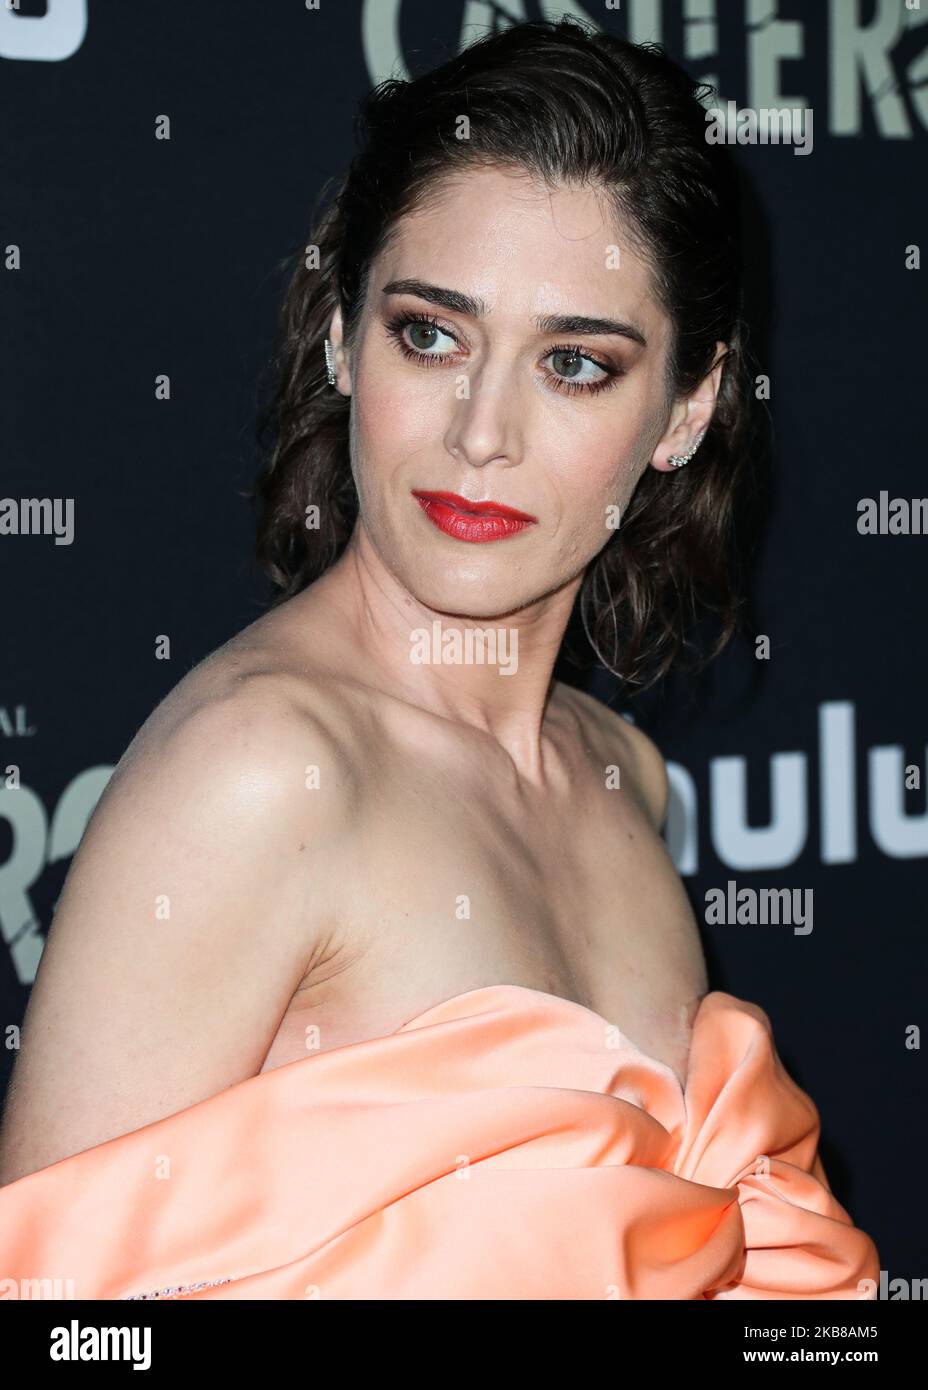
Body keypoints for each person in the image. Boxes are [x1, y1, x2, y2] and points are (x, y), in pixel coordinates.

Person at [0, 18, 878, 1299]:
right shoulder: (262, 776)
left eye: (574, 364)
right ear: (343, 337)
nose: (481, 433)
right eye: (431, 334)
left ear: (687, 409)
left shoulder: (623, 774)